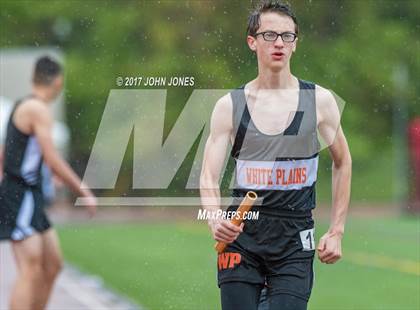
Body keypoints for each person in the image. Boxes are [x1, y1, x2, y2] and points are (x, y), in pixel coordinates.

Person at [200, 1, 352, 309]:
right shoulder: (229, 106)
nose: (279, 43)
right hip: (242, 235)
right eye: (269, 35)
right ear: (252, 42)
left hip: (294, 237)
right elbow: (208, 176)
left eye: (287, 36)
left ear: (296, 44)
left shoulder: (319, 102)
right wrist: (215, 219)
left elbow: (343, 161)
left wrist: (337, 230)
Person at [0, 56, 97, 310]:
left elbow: (9, 151)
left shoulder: (23, 105)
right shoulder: (38, 109)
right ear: (58, 81)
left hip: (29, 195)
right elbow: (53, 159)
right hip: (20, 195)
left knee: (53, 265)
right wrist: (83, 190)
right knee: (30, 269)